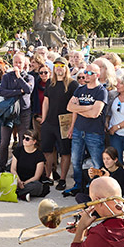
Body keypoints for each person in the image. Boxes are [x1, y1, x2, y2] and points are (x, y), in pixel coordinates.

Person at [64, 61, 109, 198]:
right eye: (85, 72)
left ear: (97, 75)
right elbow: (70, 108)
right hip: (78, 130)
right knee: (76, 160)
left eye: (89, 73)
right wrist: (89, 107)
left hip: (94, 132)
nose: (86, 75)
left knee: (97, 163)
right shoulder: (80, 89)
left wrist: (81, 107)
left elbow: (95, 114)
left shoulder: (101, 91)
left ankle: (96, 187)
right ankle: (78, 185)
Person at [39, 57, 74, 190]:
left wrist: (72, 125)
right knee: (47, 151)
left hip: (64, 123)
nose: (59, 68)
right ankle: (48, 177)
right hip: (49, 122)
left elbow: (75, 105)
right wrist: (44, 118)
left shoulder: (72, 84)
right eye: (56, 66)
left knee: (65, 152)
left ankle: (63, 179)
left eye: (62, 65)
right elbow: (46, 101)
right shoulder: (49, 83)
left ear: (66, 68)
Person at [9, 129, 49, 200]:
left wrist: (24, 184)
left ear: (34, 141)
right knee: (2, 178)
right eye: (23, 138)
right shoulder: (18, 150)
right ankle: (22, 194)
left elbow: (36, 177)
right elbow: (13, 169)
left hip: (30, 182)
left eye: (27, 139)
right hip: (17, 179)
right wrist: (19, 181)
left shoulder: (39, 155)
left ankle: (17, 192)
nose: (24, 140)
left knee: (37, 186)